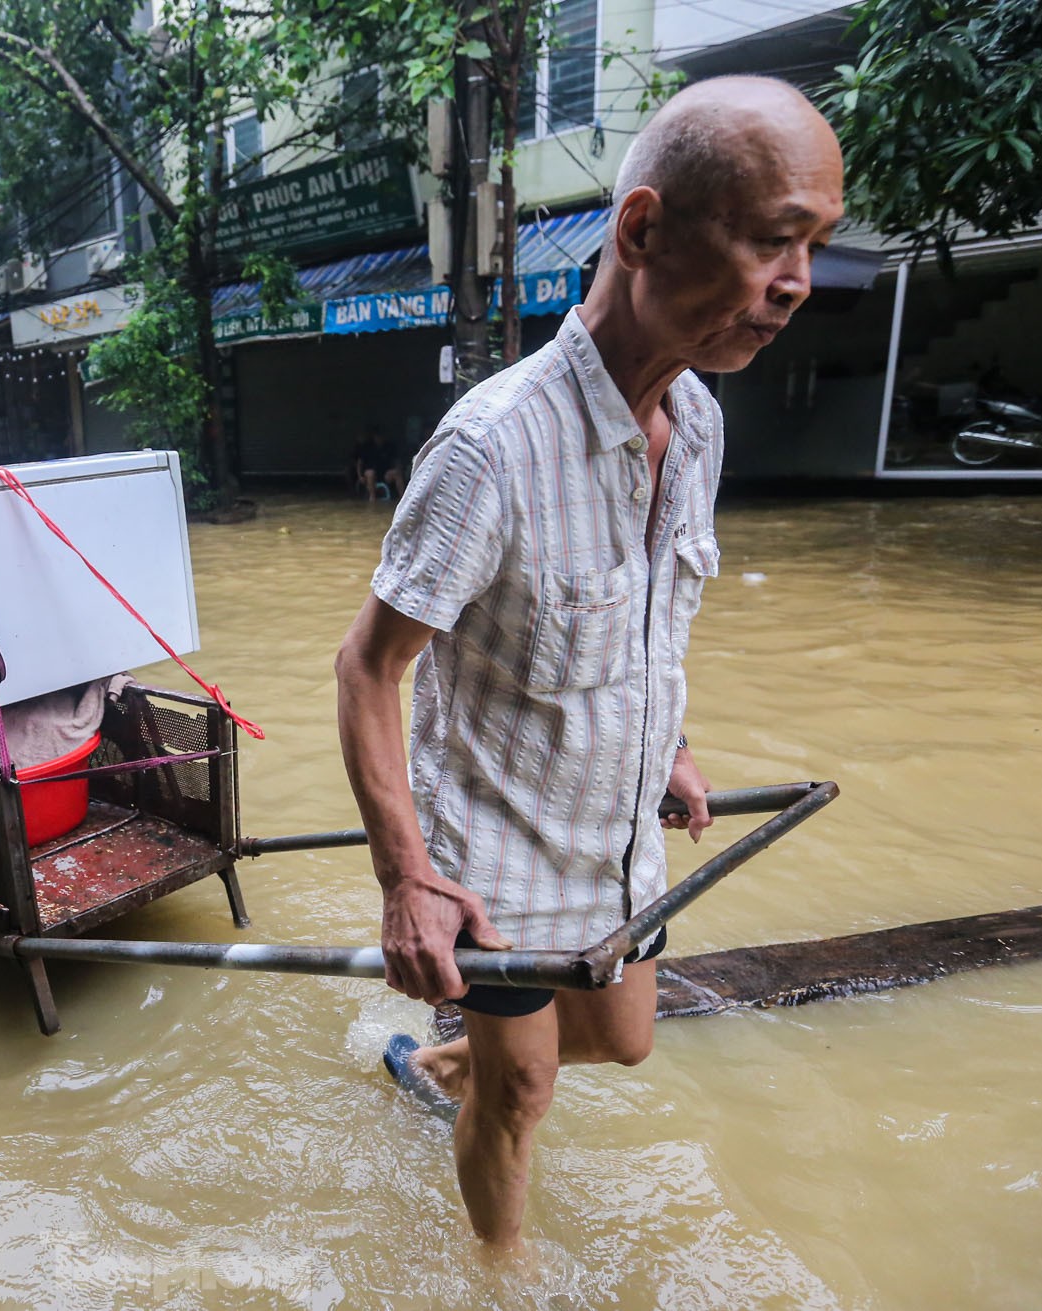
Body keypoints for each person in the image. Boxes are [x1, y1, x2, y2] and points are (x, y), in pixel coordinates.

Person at [333, 76, 844, 1252]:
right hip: (495, 859)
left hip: (615, 831)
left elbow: (656, 619)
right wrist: (407, 879)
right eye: (773, 242)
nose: (796, 285)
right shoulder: (489, 450)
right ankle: (497, 1273)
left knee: (621, 1038)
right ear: (642, 230)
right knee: (529, 1092)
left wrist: (669, 743)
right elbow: (368, 669)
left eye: (810, 247)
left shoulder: (700, 420)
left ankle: (437, 1064)